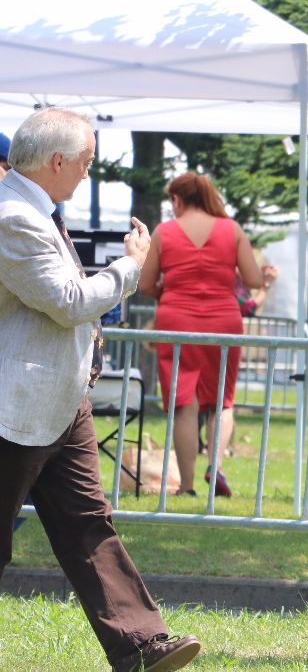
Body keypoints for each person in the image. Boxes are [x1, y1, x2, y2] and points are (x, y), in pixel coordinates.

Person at [0, 108, 201, 671]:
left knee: (89, 522)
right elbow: (68, 302)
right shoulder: (13, 215)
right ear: (56, 161)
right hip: (13, 407)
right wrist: (129, 268)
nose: (88, 173)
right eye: (86, 163)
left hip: (60, 401)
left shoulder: (34, 209)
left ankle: (141, 645)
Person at [138, 171, 271, 497]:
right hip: (223, 321)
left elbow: (144, 283)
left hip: (176, 321)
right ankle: (216, 466)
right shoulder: (232, 229)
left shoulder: (164, 232)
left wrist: (170, 292)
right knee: (222, 401)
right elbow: (252, 279)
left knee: (184, 404)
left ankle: (186, 485)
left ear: (178, 199)